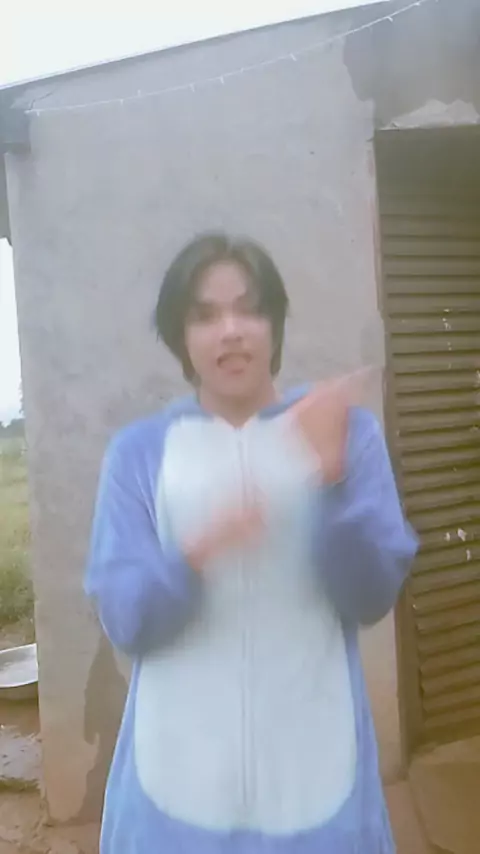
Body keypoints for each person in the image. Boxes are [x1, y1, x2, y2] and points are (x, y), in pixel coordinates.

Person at [84, 232, 418, 854]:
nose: (231, 331)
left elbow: (372, 595)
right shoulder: (139, 454)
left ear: (275, 325)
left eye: (250, 309)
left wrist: (332, 478)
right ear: (180, 336)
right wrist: (197, 552)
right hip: (174, 785)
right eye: (205, 315)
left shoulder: (345, 433)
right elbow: (125, 618)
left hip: (316, 778)